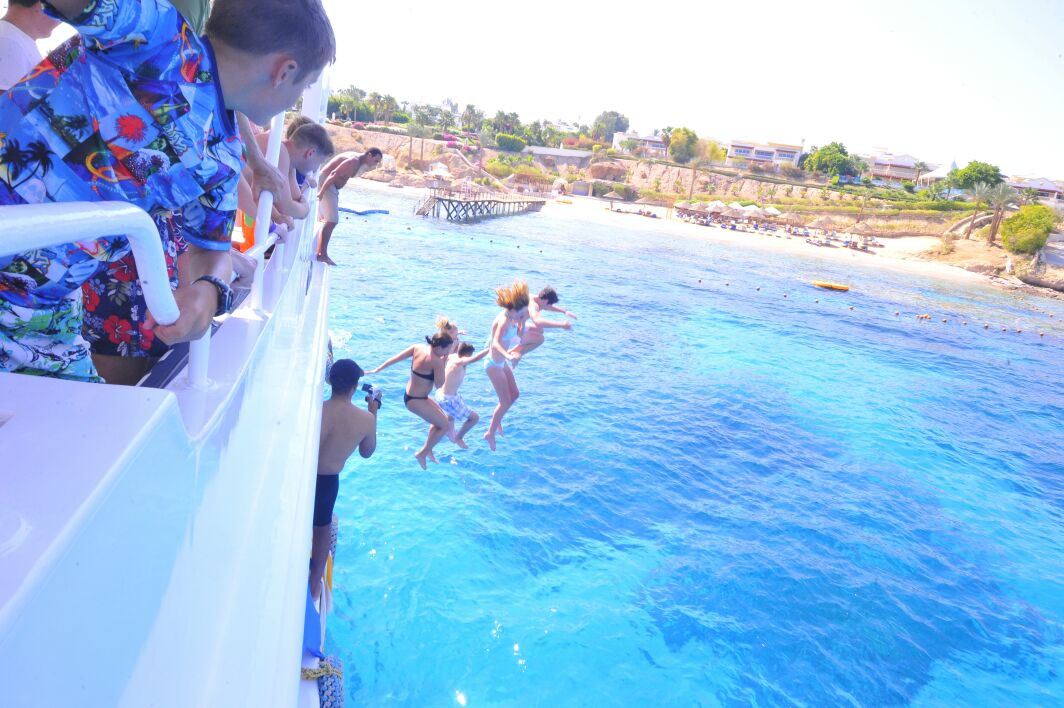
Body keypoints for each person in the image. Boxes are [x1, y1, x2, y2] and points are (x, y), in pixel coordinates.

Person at [0, 0, 335, 381]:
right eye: (303, 86)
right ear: (284, 71)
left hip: (40, 308)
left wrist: (208, 290)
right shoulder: (158, 32)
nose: (294, 102)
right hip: (22, 280)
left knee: (94, 424)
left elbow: (211, 249)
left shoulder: (223, 156)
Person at [311, 358, 378, 603]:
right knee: (321, 533)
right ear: (354, 386)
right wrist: (373, 412)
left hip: (304, 478)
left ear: (331, 382)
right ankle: (314, 589)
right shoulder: (365, 419)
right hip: (328, 483)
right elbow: (367, 451)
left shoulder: (315, 409)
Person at [367, 331, 452, 469]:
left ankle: (428, 449)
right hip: (417, 401)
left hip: (413, 396)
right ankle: (422, 454)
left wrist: (378, 369)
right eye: (448, 349)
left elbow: (395, 358)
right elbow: (439, 385)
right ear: (440, 347)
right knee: (444, 426)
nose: (449, 351)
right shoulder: (436, 361)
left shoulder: (418, 347)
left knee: (443, 420)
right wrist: (444, 363)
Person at [482, 279, 530, 451]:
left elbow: (521, 336)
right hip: (494, 364)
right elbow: (494, 344)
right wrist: (508, 356)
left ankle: (497, 420)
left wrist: (523, 322)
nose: (522, 316)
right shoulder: (503, 320)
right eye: (522, 314)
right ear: (514, 310)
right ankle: (490, 433)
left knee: (515, 395)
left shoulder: (513, 318)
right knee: (505, 401)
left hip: (501, 362)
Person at [315, 147, 383, 265]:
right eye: (375, 161)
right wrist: (321, 192)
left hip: (332, 187)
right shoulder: (354, 161)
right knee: (332, 221)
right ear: (369, 155)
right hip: (327, 184)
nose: (375, 165)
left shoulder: (359, 161)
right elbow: (333, 174)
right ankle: (322, 254)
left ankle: (321, 252)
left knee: (329, 220)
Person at [435, 341, 487, 449]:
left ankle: (449, 431)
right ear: (467, 355)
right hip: (448, 399)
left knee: (452, 413)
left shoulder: (452, 356)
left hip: (443, 394)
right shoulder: (460, 361)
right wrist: (491, 348)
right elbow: (476, 358)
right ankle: (458, 438)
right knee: (474, 418)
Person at [0, 0, 60, 90]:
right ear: (41, 5)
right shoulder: (9, 43)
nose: (61, 20)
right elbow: (7, 102)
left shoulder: (12, 40)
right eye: (61, 12)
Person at [510, 286, 576, 367]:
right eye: (550, 304)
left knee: (539, 330)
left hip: (512, 325)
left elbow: (547, 307)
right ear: (545, 301)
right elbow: (538, 321)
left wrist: (564, 311)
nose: (550, 306)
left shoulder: (532, 297)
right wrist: (561, 325)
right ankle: (512, 354)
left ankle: (512, 351)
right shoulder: (534, 305)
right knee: (540, 339)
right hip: (510, 331)